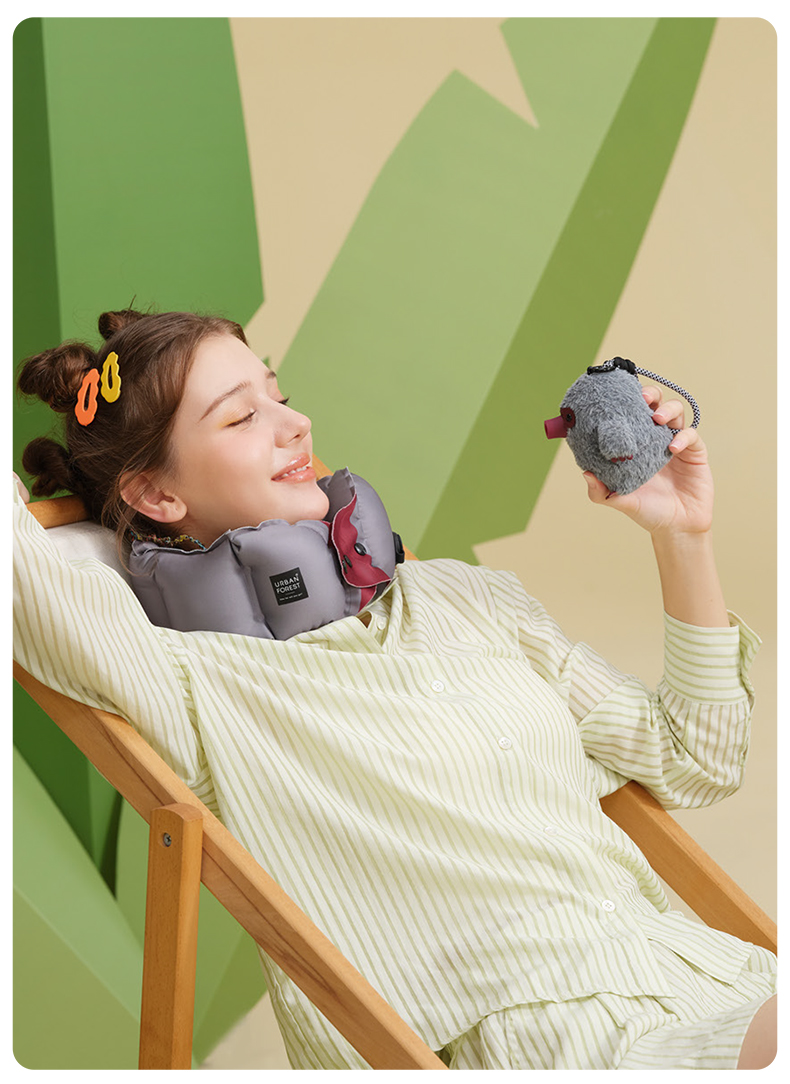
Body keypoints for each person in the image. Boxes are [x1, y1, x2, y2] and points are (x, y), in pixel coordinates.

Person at [13, 308, 776, 1070]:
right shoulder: (193, 684)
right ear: (155, 494)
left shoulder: (466, 597)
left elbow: (695, 760)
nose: (296, 425)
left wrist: (682, 534)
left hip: (720, 983)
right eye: (242, 417)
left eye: (279, 395)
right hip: (565, 1050)